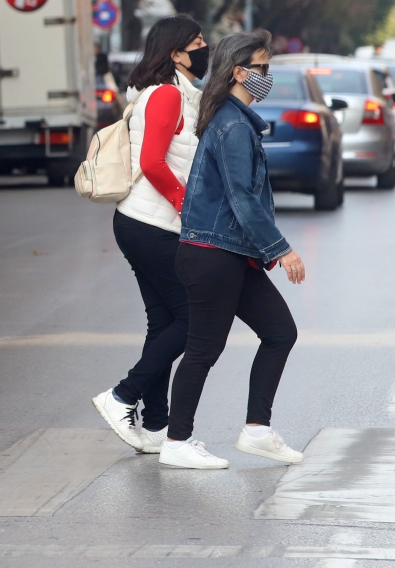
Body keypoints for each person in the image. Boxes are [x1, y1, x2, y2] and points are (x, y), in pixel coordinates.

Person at [159, 29, 305, 470]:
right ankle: (176, 440)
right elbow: (242, 197)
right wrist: (281, 249)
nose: (268, 76)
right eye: (262, 68)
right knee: (204, 347)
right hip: (212, 254)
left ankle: (257, 430)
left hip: (228, 253)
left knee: (279, 332)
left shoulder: (234, 119)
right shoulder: (233, 124)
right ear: (240, 72)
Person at [91, 16, 207, 454]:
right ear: (175, 53)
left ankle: (157, 424)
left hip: (145, 222)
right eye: (196, 42)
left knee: (163, 323)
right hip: (151, 224)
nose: (205, 47)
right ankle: (122, 395)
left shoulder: (172, 93)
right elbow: (154, 162)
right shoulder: (167, 95)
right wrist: (184, 204)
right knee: (193, 319)